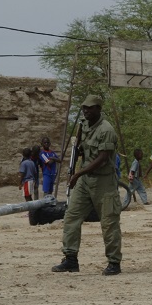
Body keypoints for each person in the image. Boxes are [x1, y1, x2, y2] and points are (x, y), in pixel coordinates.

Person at [51, 95, 122, 276]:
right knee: (71, 216)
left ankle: (114, 262)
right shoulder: (84, 126)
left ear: (99, 109)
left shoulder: (107, 130)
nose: (86, 111)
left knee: (108, 222)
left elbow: (103, 158)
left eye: (89, 108)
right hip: (85, 180)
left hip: (103, 181)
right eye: (84, 108)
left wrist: (78, 173)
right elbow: (83, 150)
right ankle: (70, 259)